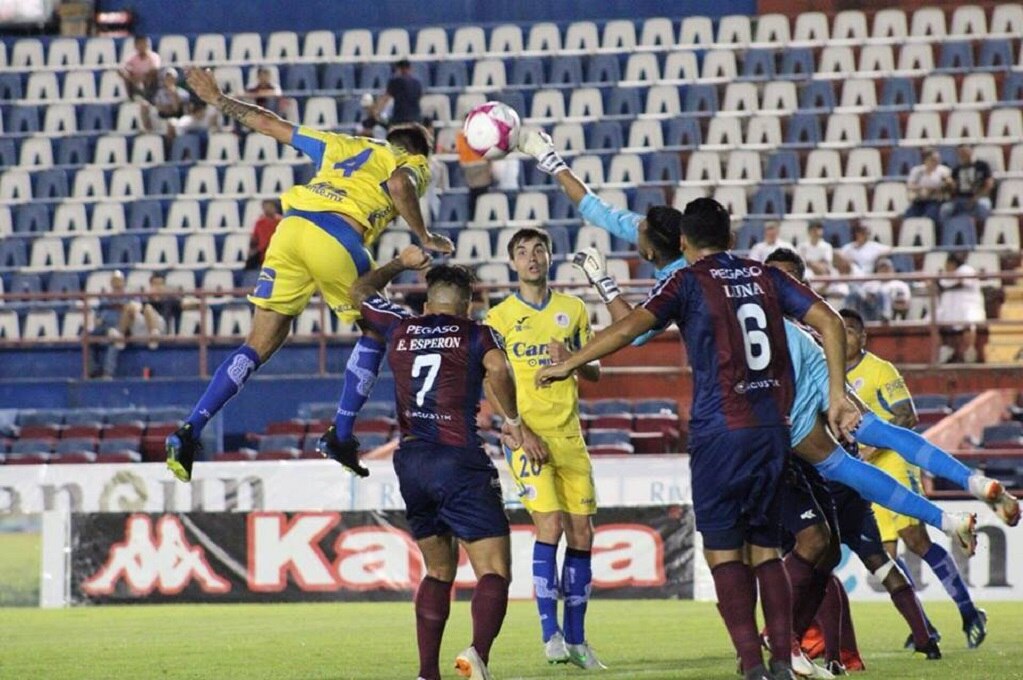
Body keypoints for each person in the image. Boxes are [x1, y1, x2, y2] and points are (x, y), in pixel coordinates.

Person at [535, 193, 855, 680]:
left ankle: (752, 664)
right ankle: (781, 661)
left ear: (683, 242)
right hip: (773, 428)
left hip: (719, 430)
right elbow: (830, 321)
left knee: (724, 552)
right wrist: (837, 394)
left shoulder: (685, 280)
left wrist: (569, 364)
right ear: (730, 237)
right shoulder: (766, 275)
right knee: (766, 548)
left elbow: (631, 328)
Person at [165, 67, 454, 483]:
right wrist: (424, 236)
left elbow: (269, 123)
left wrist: (218, 99)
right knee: (373, 330)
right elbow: (398, 184)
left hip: (291, 229)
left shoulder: (340, 144)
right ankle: (342, 432)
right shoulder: (413, 161)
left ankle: (190, 429)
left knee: (260, 342)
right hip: (337, 237)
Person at [350, 246, 522, 680]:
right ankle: (477, 653)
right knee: (495, 569)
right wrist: (514, 420)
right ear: (468, 304)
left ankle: (428, 673)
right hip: (458, 459)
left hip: (412, 462)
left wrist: (398, 265)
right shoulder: (476, 333)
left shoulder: (399, 326)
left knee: (438, 570)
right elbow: (499, 368)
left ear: (427, 304)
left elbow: (359, 290)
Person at [483, 228, 605, 670]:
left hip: (570, 436)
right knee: (549, 524)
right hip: (528, 436)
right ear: (512, 262)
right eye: (522, 252)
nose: (532, 258)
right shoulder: (498, 318)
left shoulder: (572, 310)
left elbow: (595, 372)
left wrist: (571, 355)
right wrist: (513, 427)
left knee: (583, 533)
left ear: (550, 257)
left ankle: (577, 639)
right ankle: (549, 632)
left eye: (539, 249)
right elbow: (489, 378)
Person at [843, 308, 1001, 648]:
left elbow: (907, 415)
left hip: (895, 462)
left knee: (915, 538)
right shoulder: (831, 374)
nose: (845, 337)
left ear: (863, 337)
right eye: (839, 330)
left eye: (852, 331)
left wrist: (873, 446)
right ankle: (923, 627)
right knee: (884, 554)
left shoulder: (880, 369)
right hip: (864, 471)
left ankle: (968, 611)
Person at [86, 270, 142, 379]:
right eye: (114, 281)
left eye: (119, 281)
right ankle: (93, 371)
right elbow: (97, 314)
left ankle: (108, 373)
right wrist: (97, 320)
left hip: (121, 328)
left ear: (123, 282)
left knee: (114, 340)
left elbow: (135, 310)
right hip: (104, 326)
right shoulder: (105, 298)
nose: (117, 284)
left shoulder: (130, 297)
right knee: (87, 337)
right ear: (111, 283)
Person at [936, 252, 986, 363]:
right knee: (939, 323)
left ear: (952, 263)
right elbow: (942, 285)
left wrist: (943, 285)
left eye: (947, 264)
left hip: (969, 306)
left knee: (968, 324)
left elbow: (960, 283)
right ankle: (949, 351)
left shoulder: (966, 269)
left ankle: (968, 352)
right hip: (952, 308)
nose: (946, 266)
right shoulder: (947, 275)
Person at [940, 145, 994, 225]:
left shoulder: (982, 165)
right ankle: (946, 232)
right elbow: (953, 189)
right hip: (960, 199)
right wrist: (950, 184)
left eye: (965, 152)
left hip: (979, 198)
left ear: (971, 152)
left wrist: (976, 198)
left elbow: (989, 184)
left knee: (983, 207)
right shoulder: (957, 169)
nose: (963, 155)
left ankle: (983, 232)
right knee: (945, 209)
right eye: (961, 153)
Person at [904, 148, 950, 223]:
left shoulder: (943, 171)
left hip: (935, 201)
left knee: (930, 217)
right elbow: (909, 185)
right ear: (926, 160)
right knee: (908, 217)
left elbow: (947, 186)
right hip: (919, 200)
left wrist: (932, 190)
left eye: (937, 159)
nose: (936, 162)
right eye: (933, 160)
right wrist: (922, 189)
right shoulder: (917, 171)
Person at [139, 68, 188, 136]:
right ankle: (148, 130)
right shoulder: (159, 93)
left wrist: (173, 94)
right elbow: (159, 108)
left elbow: (176, 110)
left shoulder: (182, 93)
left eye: (171, 78)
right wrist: (167, 107)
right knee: (144, 104)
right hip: (161, 118)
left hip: (177, 120)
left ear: (175, 79)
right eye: (167, 78)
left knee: (171, 124)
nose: (169, 80)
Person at [375, 58, 422, 126]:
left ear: (399, 69)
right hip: (415, 119)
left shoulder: (395, 81)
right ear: (410, 68)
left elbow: (386, 98)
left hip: (400, 119)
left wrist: (377, 111)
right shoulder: (417, 83)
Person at [140, 272, 183, 343]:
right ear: (150, 285)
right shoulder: (144, 300)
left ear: (164, 286)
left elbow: (184, 304)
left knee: (148, 308)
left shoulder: (171, 300)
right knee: (142, 308)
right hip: (144, 328)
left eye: (160, 284)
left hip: (162, 329)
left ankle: (154, 336)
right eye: (155, 284)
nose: (158, 287)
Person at [118, 34, 161, 101]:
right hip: (135, 81)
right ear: (135, 46)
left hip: (149, 82)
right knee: (125, 73)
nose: (142, 46)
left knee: (153, 74)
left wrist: (142, 77)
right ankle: (133, 96)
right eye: (139, 44)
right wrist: (128, 74)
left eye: (144, 43)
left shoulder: (154, 56)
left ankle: (150, 96)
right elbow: (122, 68)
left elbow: (155, 68)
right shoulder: (131, 58)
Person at [796, 222, 835, 295]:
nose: (816, 232)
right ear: (809, 231)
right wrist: (814, 264)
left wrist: (810, 263)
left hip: (822, 272)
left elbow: (826, 264)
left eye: (819, 229)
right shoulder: (801, 246)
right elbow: (800, 263)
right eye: (813, 229)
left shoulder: (827, 246)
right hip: (808, 272)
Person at [246, 199, 282, 270]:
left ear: (275, 208)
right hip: (262, 255)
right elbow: (254, 239)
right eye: (265, 207)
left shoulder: (281, 221)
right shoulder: (259, 223)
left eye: (270, 207)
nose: (268, 209)